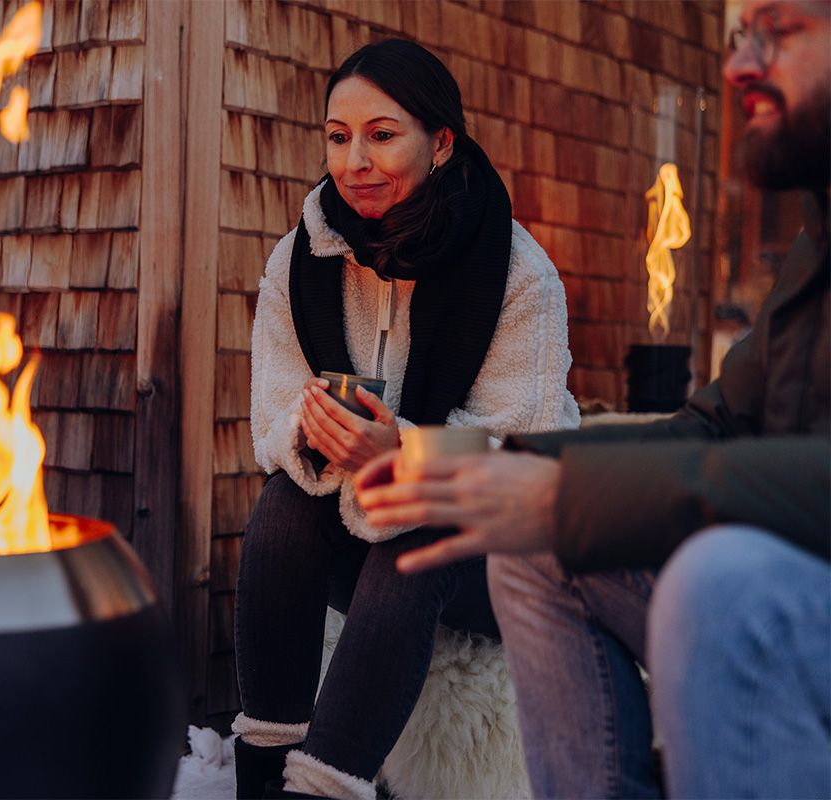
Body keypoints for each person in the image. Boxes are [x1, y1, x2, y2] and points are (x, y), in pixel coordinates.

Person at [356, 2, 830, 797]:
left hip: (776, 599)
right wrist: (487, 466)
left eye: (777, 31)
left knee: (722, 581)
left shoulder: (518, 270)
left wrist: (574, 492)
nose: (741, 64)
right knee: (538, 544)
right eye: (738, 35)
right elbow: (713, 426)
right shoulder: (817, 244)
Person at [233, 39, 579, 799]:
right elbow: (273, 417)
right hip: (357, 526)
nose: (354, 159)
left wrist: (405, 451)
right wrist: (318, 432)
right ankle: (261, 776)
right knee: (283, 508)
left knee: (417, 518)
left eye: (382, 135)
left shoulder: (519, 274)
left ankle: (323, 790)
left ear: (441, 143)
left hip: (501, 551)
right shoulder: (301, 259)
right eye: (338, 135)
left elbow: (531, 451)